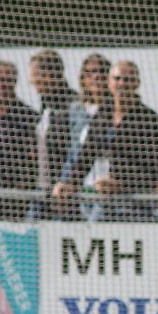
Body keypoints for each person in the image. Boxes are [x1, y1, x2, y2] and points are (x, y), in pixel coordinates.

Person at [53, 60, 158, 222]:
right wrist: (68, 183)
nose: (121, 84)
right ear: (109, 82)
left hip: (136, 205)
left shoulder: (151, 122)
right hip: (102, 201)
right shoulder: (103, 115)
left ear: (137, 83)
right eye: (117, 79)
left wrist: (121, 184)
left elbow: (157, 173)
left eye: (127, 80)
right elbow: (86, 155)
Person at [0, 61, 38, 220]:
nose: (1, 85)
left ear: (15, 81)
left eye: (6, 80)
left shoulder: (29, 117)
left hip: (14, 197)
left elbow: (36, 157)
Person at [60, 54, 111, 221]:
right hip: (83, 187)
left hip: (106, 189)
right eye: (89, 73)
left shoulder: (116, 110)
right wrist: (65, 181)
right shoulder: (76, 110)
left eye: (100, 72)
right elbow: (73, 153)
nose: (95, 77)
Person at [28, 49, 77, 220]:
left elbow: (75, 152)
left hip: (60, 193)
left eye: (35, 76)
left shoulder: (73, 106)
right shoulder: (45, 105)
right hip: (42, 189)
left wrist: (64, 183)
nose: (31, 81)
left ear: (49, 76)